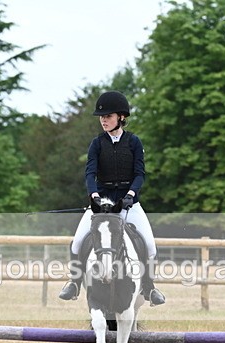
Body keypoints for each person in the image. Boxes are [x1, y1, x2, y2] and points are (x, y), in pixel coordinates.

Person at [59, 90, 166, 306]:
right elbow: (90, 173)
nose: (103, 120)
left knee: (150, 246)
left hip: (128, 203)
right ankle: (74, 283)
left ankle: (149, 286)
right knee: (77, 242)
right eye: (102, 117)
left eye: (108, 116)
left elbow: (139, 174)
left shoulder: (134, 142)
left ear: (121, 117)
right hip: (102, 203)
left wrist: (130, 195)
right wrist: (94, 196)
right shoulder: (97, 144)